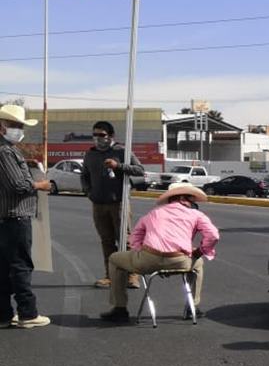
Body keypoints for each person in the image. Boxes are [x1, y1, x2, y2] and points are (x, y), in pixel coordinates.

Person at [100, 183, 219, 323]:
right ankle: (192, 307)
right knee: (198, 264)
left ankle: (120, 308)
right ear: (185, 199)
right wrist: (199, 251)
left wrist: (141, 252)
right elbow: (213, 236)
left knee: (114, 259)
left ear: (170, 198)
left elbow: (134, 238)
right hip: (180, 260)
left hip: (148, 259)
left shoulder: (154, 213)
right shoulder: (196, 214)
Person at [0, 104, 53, 328]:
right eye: (15, 125)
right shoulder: (5, 151)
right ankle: (27, 313)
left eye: (20, 126)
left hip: (7, 217)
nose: (19, 130)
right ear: (2, 127)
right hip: (15, 217)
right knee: (20, 265)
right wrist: (40, 184)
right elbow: (18, 185)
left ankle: (3, 314)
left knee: (4, 268)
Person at [80, 120, 145, 289]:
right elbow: (84, 175)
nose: (97, 138)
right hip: (98, 204)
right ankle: (111, 276)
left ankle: (132, 275)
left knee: (126, 240)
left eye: (101, 135)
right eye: (94, 135)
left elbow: (139, 170)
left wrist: (119, 166)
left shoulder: (122, 150)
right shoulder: (90, 154)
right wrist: (88, 192)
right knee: (106, 241)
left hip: (119, 203)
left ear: (110, 136)